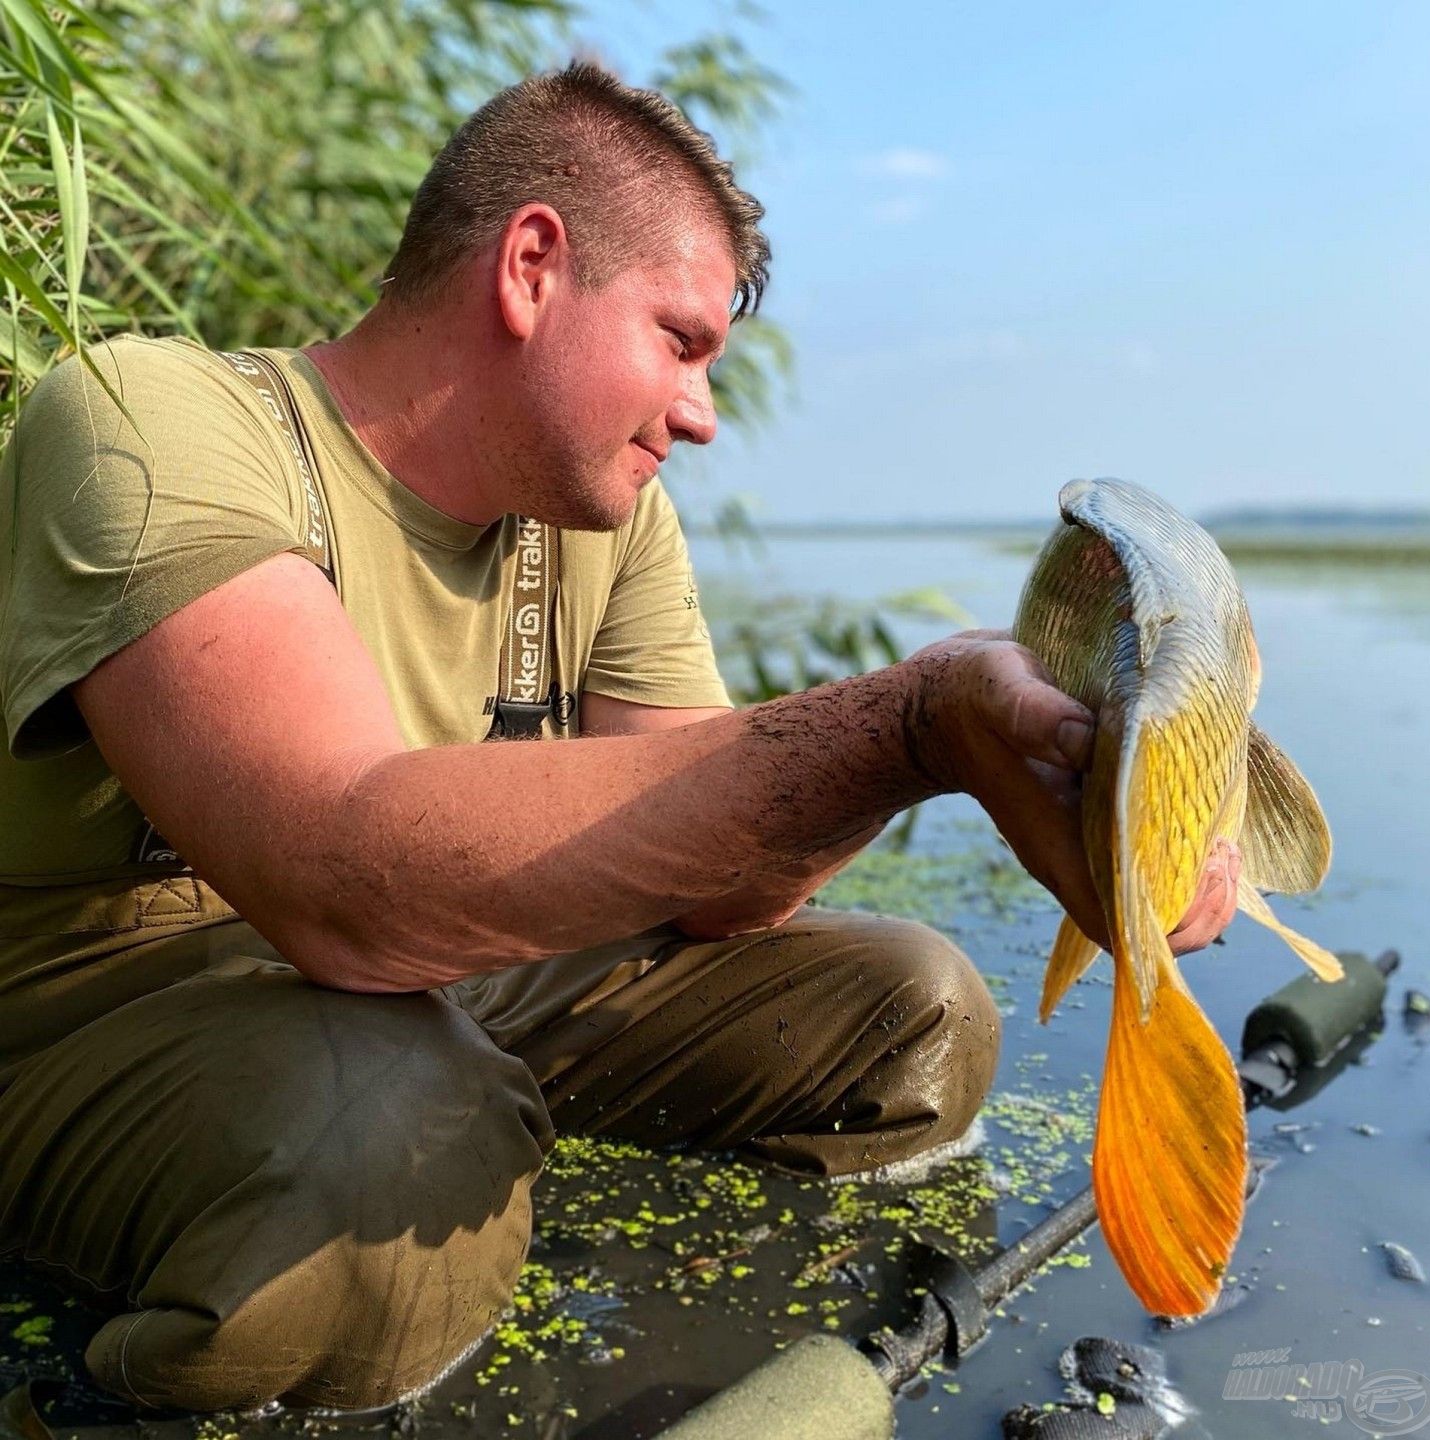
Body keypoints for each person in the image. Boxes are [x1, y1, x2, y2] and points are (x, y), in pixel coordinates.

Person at [0, 62, 1238, 1414]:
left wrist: (1012, 756)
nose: (702, 414)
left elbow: (721, 896)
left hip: (432, 986)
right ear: (532, 266)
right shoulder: (149, 421)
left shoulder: (606, 526)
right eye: (682, 342)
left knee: (911, 1013)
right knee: (390, 1150)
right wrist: (900, 723)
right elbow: (343, 876)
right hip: (96, 1013)